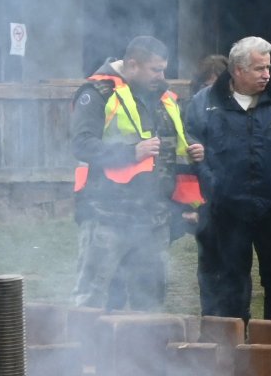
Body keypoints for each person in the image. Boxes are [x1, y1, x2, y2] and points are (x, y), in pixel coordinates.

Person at [68, 34, 200, 312]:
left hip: (153, 219)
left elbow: (173, 143)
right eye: (155, 69)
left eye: (163, 68)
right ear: (132, 64)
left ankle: (144, 356)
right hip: (106, 215)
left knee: (150, 302)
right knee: (93, 298)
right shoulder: (97, 93)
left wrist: (195, 148)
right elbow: (81, 144)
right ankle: (88, 354)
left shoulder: (164, 97)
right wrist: (131, 153)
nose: (162, 75)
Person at [192, 37, 271, 322]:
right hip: (228, 209)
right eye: (259, 68)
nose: (267, 74)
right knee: (233, 280)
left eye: (268, 67)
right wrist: (213, 185)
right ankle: (238, 344)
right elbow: (192, 146)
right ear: (237, 70)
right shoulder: (205, 102)